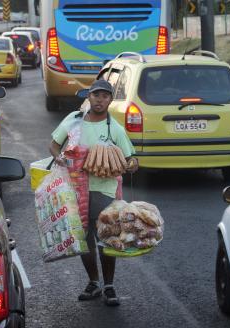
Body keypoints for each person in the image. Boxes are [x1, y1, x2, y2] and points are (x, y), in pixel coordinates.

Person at [49, 79, 139, 306]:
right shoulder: (73, 121)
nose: (100, 100)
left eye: (105, 96)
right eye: (96, 95)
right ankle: (93, 282)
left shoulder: (114, 128)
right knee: (84, 239)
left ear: (110, 100)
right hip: (74, 189)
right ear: (88, 97)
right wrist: (58, 157)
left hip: (104, 190)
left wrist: (131, 165)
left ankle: (109, 285)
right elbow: (53, 144)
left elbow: (132, 159)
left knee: (106, 237)